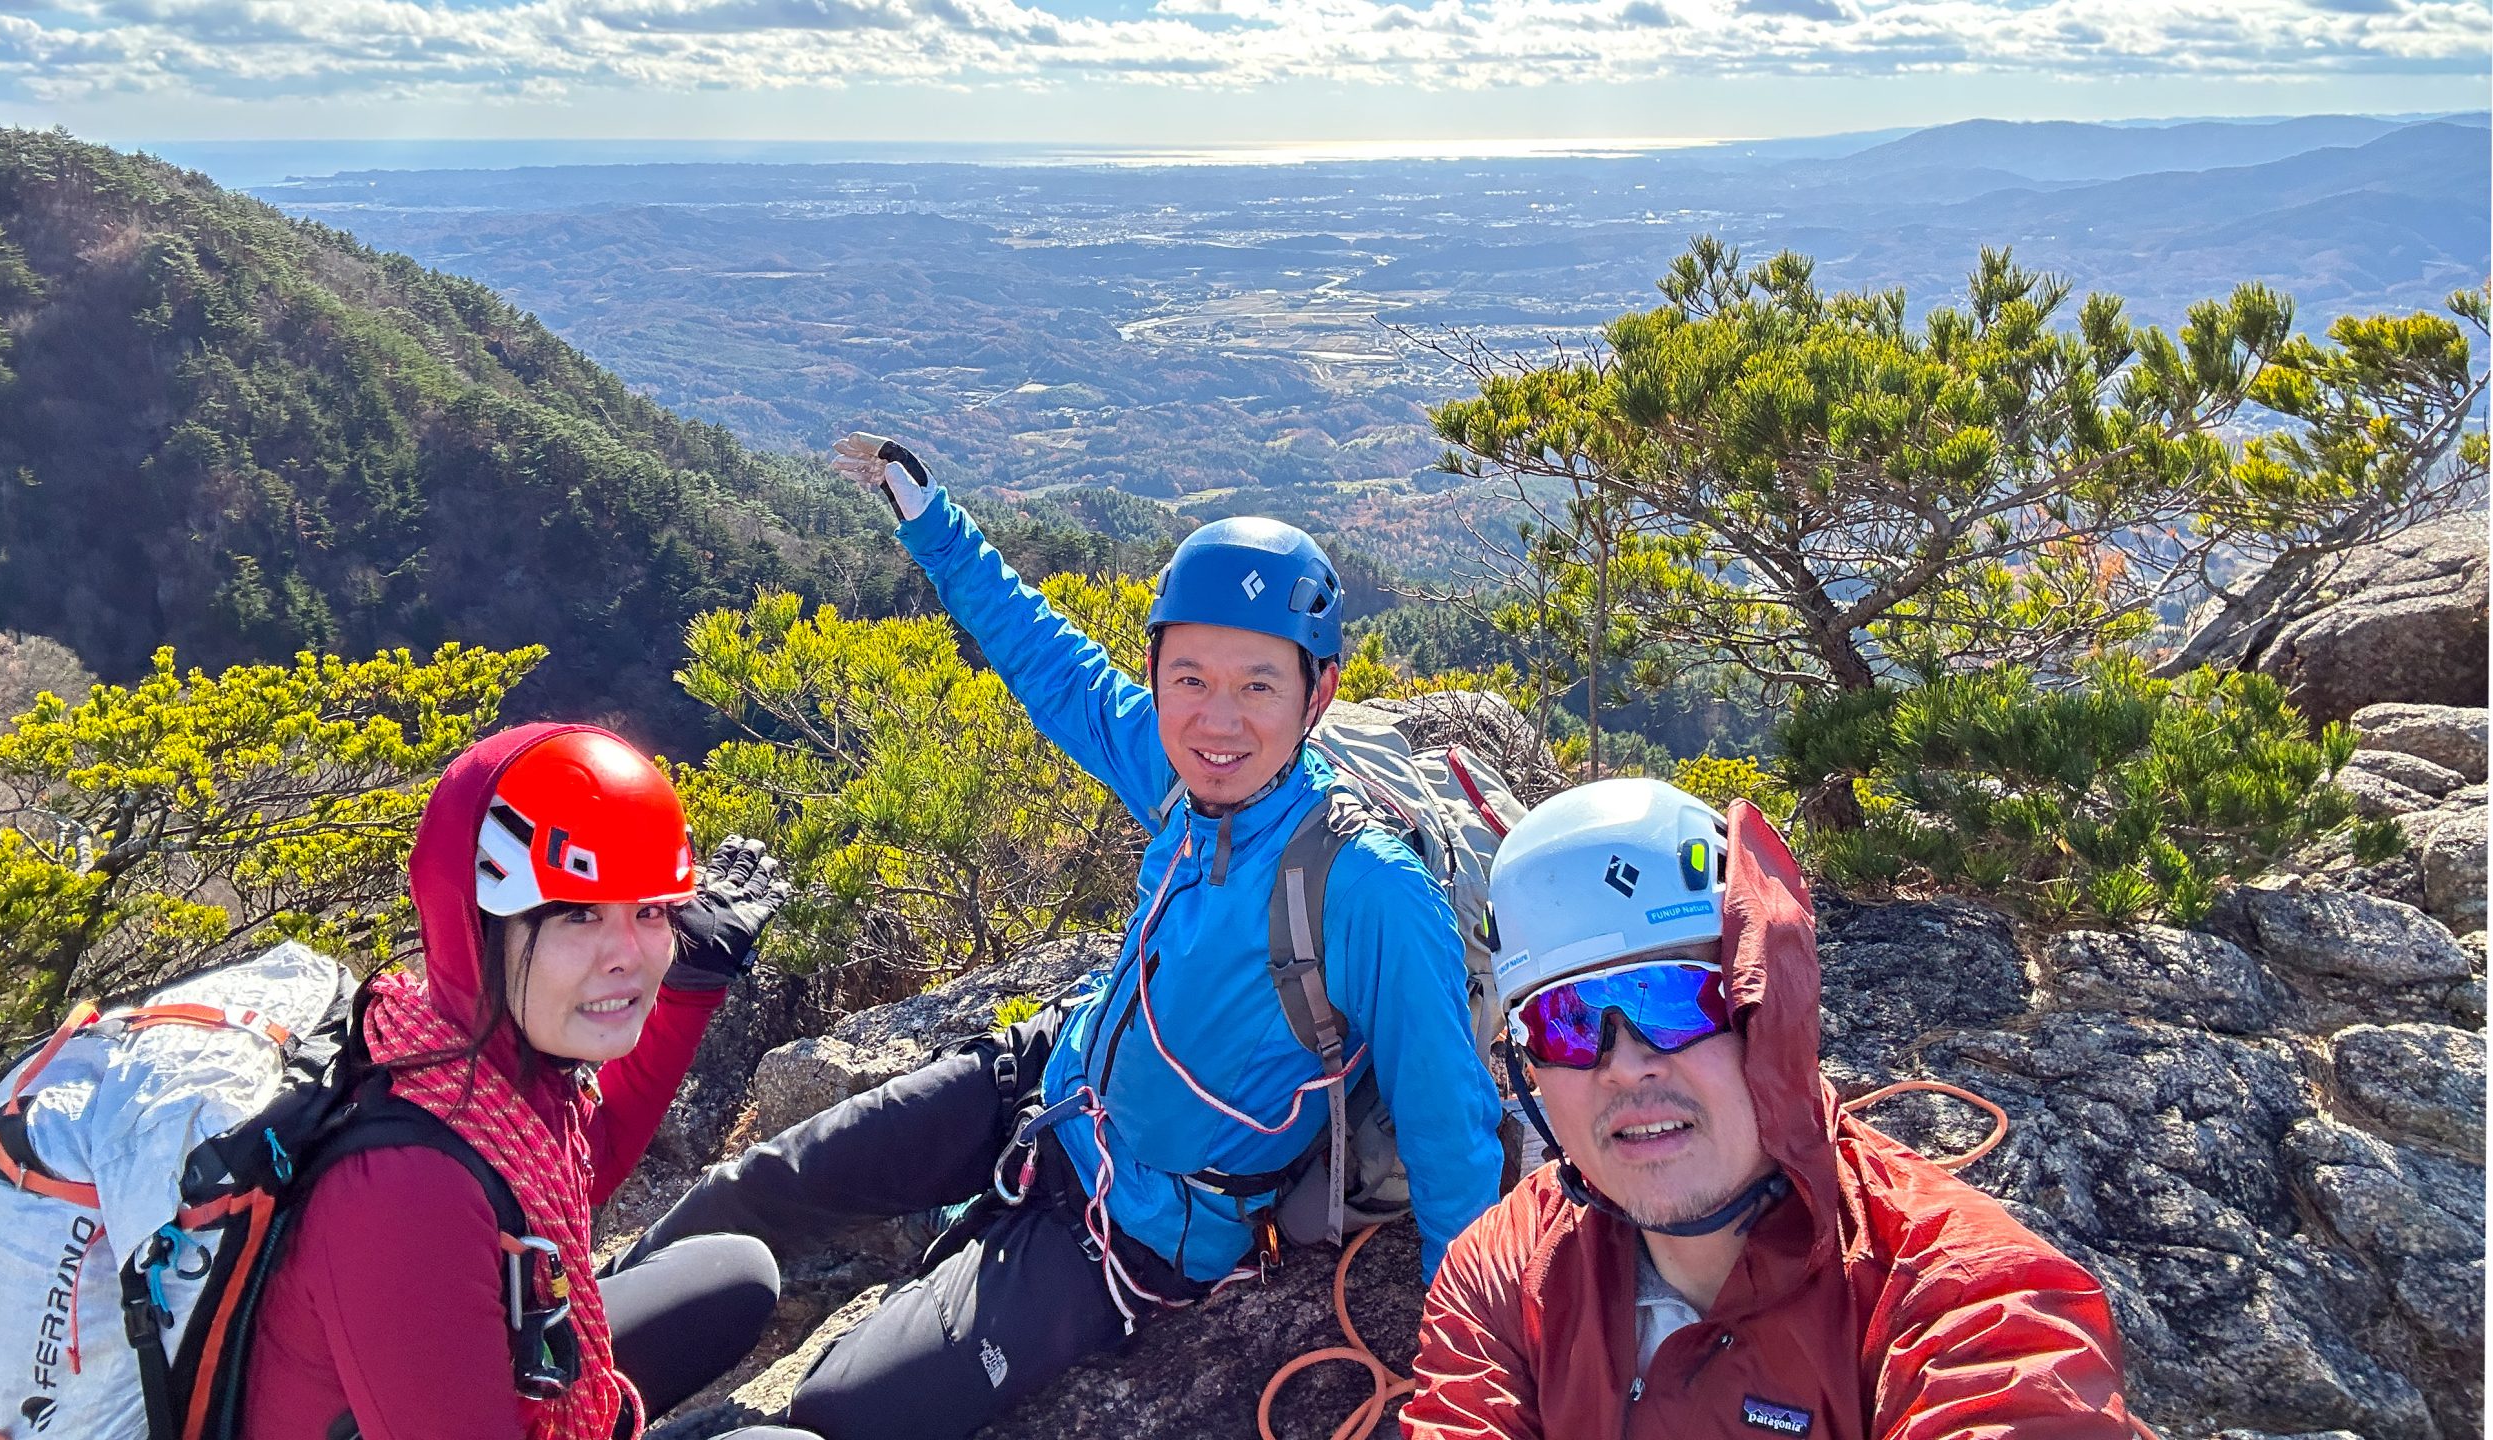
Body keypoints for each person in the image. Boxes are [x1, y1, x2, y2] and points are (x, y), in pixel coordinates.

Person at [612, 434, 1503, 1440]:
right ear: (1158, 671)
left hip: (1137, 1231)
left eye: (1259, 684)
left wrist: (1462, 1386)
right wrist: (932, 524)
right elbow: (1051, 663)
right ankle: (556, 1371)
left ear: (1319, 693)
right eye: (1190, 678)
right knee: (765, 1185)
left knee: (835, 1412)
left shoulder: (1367, 888)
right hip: (1044, 1083)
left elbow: (1449, 1133)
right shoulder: (1176, 769)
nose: (1218, 718)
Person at [1406, 779, 2137, 1439]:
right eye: (1564, 1022)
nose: (1624, 1066)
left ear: (1768, 1006)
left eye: (1673, 998)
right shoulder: (1506, 1273)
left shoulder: (1968, 1301)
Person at [243, 723, 801, 1439]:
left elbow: (577, 1164)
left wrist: (690, 987)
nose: (628, 956)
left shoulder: (464, 1060)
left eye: (651, 911)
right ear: (473, 923)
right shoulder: (407, 1193)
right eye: (577, 913)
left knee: (736, 1275)